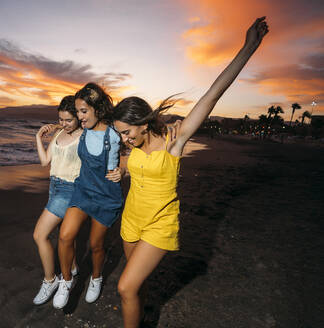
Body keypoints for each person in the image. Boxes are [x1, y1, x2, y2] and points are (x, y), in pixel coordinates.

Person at [111, 17, 269, 327]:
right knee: (136, 286)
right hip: (131, 220)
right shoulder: (133, 145)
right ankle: (140, 313)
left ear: (144, 123)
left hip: (160, 224)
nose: (124, 139)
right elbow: (135, 169)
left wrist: (249, 46)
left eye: (128, 132)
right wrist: (121, 170)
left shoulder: (174, 139)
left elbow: (212, 95)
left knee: (124, 287)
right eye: (120, 134)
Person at [53, 83, 124, 309]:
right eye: (78, 112)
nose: (79, 117)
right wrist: (50, 129)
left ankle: (96, 277)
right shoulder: (81, 130)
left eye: (83, 111)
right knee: (65, 235)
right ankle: (66, 280)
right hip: (83, 190)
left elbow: (136, 147)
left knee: (95, 245)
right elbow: (65, 128)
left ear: (97, 109)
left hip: (105, 195)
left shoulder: (114, 134)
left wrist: (123, 169)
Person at [32, 95, 82, 305]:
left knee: (39, 235)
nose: (64, 124)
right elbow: (45, 162)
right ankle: (72, 267)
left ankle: (50, 280)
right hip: (54, 187)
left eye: (68, 120)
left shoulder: (85, 136)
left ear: (79, 116)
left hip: (69, 190)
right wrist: (37, 137)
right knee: (66, 234)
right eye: (61, 119)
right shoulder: (59, 133)